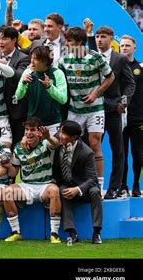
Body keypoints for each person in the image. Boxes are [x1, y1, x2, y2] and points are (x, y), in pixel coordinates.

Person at [58, 26, 115, 191]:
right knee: (69, 145)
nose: (67, 44)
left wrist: (96, 94)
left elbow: (110, 76)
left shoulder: (95, 57)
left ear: (80, 42)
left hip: (94, 108)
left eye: (70, 41)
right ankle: (72, 181)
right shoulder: (64, 60)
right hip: (74, 109)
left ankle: (99, 185)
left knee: (94, 143)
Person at [1, 117, 62, 243]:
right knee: (6, 192)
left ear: (39, 132)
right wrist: (8, 166)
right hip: (26, 187)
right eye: (26, 130)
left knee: (55, 190)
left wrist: (48, 136)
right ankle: (16, 232)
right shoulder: (18, 147)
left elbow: (56, 144)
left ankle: (54, 234)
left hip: (44, 186)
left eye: (32, 130)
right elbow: (14, 173)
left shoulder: (46, 143)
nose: (29, 133)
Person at [95, 26, 136, 199]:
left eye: (103, 36)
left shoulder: (120, 59)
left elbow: (130, 84)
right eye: (97, 36)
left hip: (113, 110)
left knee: (117, 150)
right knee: (92, 149)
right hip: (93, 110)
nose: (99, 40)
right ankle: (93, 186)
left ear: (111, 39)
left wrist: (123, 102)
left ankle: (113, 188)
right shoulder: (91, 56)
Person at [53, 120, 103, 244]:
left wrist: (77, 189)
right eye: (60, 131)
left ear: (74, 137)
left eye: (64, 133)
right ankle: (71, 232)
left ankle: (97, 232)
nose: (60, 135)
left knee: (95, 191)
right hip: (66, 184)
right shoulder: (57, 143)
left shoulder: (86, 152)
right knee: (61, 190)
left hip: (84, 187)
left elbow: (92, 179)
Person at [15, 45, 67, 136]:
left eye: (36, 59)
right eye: (31, 58)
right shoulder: (28, 72)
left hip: (52, 123)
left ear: (45, 61)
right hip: (32, 124)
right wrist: (23, 84)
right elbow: (18, 96)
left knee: (51, 148)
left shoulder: (57, 73)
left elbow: (63, 99)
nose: (32, 61)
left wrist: (50, 87)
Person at [0, 27, 30, 146]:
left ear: (14, 40)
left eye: (4, 39)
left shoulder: (24, 58)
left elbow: (19, 76)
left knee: (16, 144)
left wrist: (4, 67)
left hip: (16, 111)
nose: (0, 42)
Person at [120, 35, 142, 197]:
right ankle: (122, 185)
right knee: (121, 154)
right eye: (122, 45)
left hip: (138, 117)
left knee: (138, 153)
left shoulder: (141, 67)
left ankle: (135, 185)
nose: (125, 48)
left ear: (134, 48)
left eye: (128, 45)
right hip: (119, 116)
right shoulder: (115, 65)